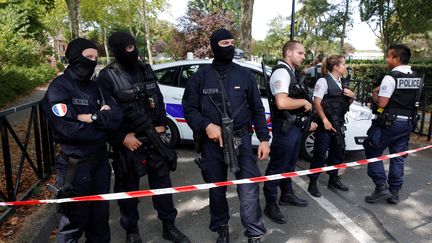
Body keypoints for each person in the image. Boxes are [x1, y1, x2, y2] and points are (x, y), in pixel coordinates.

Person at [96, 31, 190, 243]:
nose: (133, 51)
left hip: (154, 140)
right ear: (117, 51)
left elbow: (158, 100)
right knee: (128, 192)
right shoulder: (106, 77)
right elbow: (104, 115)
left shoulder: (145, 70)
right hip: (129, 144)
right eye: (128, 49)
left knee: (163, 188)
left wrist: (161, 124)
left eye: (134, 47)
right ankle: (132, 231)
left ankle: (169, 226)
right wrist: (120, 138)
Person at [182, 28, 270, 243]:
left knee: (249, 187)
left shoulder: (244, 75)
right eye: (224, 43)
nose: (230, 47)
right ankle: (221, 227)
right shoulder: (200, 77)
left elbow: (257, 109)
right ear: (214, 46)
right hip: (212, 144)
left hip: (242, 140)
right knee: (217, 189)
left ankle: (254, 233)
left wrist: (264, 139)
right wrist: (205, 126)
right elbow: (189, 109)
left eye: (232, 42)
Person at [42, 38, 122, 242]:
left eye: (96, 57)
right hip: (74, 167)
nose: (93, 61)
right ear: (75, 57)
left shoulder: (97, 87)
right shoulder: (59, 88)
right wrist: (100, 120)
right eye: (89, 57)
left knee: (100, 220)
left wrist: (89, 118)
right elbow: (68, 130)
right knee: (72, 224)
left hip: (100, 163)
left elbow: (116, 117)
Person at [262, 40, 317, 224]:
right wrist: (304, 103)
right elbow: (282, 103)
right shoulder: (281, 72)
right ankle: (270, 203)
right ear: (288, 52)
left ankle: (286, 194)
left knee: (289, 165)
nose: (303, 56)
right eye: (300, 53)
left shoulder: (290, 72)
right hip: (285, 129)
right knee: (277, 166)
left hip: (293, 127)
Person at [364, 44, 421, 204]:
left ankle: (381, 186)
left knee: (372, 150)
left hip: (389, 123)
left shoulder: (391, 77)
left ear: (397, 59)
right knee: (397, 157)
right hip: (407, 124)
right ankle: (394, 192)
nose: (387, 59)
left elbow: (382, 103)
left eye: (389, 56)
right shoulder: (415, 77)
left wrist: (375, 95)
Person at [307, 55, 355, 197]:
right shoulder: (323, 81)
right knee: (319, 154)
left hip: (339, 123)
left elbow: (344, 104)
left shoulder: (342, 82)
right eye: (343, 64)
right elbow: (316, 102)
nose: (345, 67)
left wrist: (352, 96)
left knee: (338, 152)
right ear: (335, 67)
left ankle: (333, 179)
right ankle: (313, 183)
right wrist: (324, 121)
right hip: (326, 124)